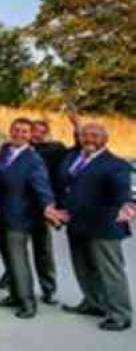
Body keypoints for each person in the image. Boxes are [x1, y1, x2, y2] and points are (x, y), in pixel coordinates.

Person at [55, 123, 134, 331]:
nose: (89, 138)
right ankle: (93, 303)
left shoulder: (116, 164)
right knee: (83, 268)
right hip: (76, 224)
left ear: (105, 139)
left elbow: (122, 192)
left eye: (95, 135)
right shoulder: (73, 158)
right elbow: (65, 185)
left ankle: (120, 315)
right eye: (85, 135)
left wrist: (126, 204)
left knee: (110, 272)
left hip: (104, 226)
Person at [0, 118, 57, 320]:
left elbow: (42, 185)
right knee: (9, 259)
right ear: (10, 131)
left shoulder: (33, 159)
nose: (19, 134)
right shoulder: (5, 149)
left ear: (30, 136)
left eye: (24, 132)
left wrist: (48, 206)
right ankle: (13, 295)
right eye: (16, 130)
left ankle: (28, 303)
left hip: (19, 217)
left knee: (19, 261)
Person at [29, 118, 69, 303]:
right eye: (33, 130)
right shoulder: (15, 148)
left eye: (40, 131)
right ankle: (11, 280)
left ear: (46, 133)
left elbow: (77, 150)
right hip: (19, 206)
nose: (36, 134)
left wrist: (76, 125)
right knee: (13, 247)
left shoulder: (54, 149)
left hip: (42, 207)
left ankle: (48, 288)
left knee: (42, 249)